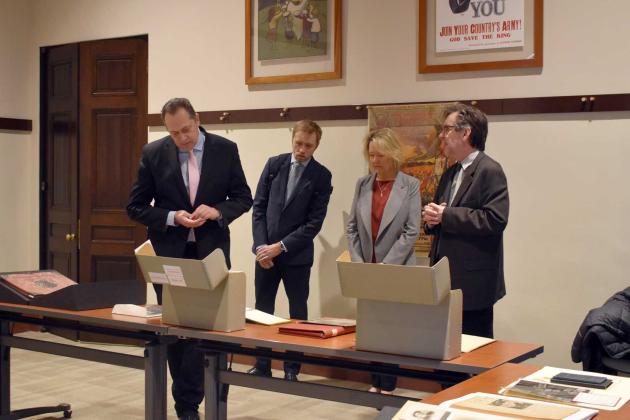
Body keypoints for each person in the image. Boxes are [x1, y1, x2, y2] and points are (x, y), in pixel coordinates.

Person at [127, 98, 253, 420]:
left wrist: (216, 211)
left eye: (186, 129)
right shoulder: (153, 153)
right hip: (171, 254)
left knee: (204, 329)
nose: (182, 138)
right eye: (174, 134)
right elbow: (136, 207)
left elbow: (243, 197)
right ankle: (186, 403)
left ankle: (189, 403)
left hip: (209, 253)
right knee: (174, 329)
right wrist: (171, 217)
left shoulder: (225, 149)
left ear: (197, 119)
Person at [247, 120, 333, 381]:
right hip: (265, 256)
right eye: (298, 143)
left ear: (316, 145)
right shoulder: (274, 165)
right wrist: (262, 248)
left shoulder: (321, 175)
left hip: (295, 257)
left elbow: (313, 224)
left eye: (308, 145)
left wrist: (280, 247)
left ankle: (292, 368)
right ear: (292, 139)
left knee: (297, 313)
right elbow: (258, 208)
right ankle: (262, 364)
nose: (302, 150)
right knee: (262, 310)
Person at [423, 103, 509, 339]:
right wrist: (431, 219)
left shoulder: (490, 170)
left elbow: (495, 219)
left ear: (466, 132)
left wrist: (446, 215)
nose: (442, 135)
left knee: (472, 357)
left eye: (447, 129)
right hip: (444, 279)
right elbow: (443, 214)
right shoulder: (451, 172)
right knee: (443, 352)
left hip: (473, 284)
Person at [346, 127, 421, 394]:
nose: (375, 161)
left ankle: (388, 384)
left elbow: (412, 230)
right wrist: (359, 262)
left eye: (380, 155)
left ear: (392, 155)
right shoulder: (362, 184)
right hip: (366, 268)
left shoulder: (410, 185)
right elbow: (352, 227)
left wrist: (386, 267)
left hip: (395, 270)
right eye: (371, 155)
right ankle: (374, 382)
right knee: (371, 328)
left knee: (392, 330)